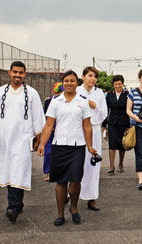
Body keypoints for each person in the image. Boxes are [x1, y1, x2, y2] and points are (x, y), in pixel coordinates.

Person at [0, 61, 45, 223]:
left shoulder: (31, 93)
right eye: (15, 72)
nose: (18, 75)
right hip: (4, 139)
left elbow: (38, 117)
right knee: (9, 170)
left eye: (21, 73)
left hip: (22, 140)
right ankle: (18, 202)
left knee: (19, 169)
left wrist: (39, 140)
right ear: (9, 72)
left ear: (25, 74)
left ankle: (13, 206)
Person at [38, 70, 97, 226]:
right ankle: (60, 214)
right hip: (59, 146)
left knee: (75, 180)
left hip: (77, 147)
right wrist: (42, 144)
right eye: (66, 81)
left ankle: (74, 208)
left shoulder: (83, 101)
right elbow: (49, 124)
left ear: (77, 83)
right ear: (62, 83)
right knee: (60, 182)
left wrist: (90, 146)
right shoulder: (55, 102)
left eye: (72, 81)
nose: (69, 83)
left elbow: (87, 126)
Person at [77, 67, 107, 211]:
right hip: (79, 130)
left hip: (94, 129)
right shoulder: (77, 91)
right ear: (83, 77)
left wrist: (95, 107)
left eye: (95, 76)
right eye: (90, 75)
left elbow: (104, 114)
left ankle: (91, 197)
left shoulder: (99, 93)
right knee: (77, 162)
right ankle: (72, 195)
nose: (93, 79)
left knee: (93, 164)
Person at [102, 75, 130, 175]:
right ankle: (111, 165)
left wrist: (130, 124)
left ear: (123, 84)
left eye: (119, 84)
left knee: (122, 145)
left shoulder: (127, 94)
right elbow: (106, 110)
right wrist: (104, 124)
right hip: (112, 123)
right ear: (113, 84)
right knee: (112, 144)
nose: (117, 86)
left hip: (124, 123)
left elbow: (130, 109)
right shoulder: (109, 95)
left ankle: (121, 163)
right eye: (115, 84)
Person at [43, 82, 65, 182]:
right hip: (50, 130)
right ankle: (48, 172)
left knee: (61, 151)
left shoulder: (65, 101)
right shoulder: (48, 101)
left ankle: (60, 172)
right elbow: (44, 115)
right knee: (48, 151)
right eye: (58, 92)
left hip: (62, 129)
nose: (59, 94)